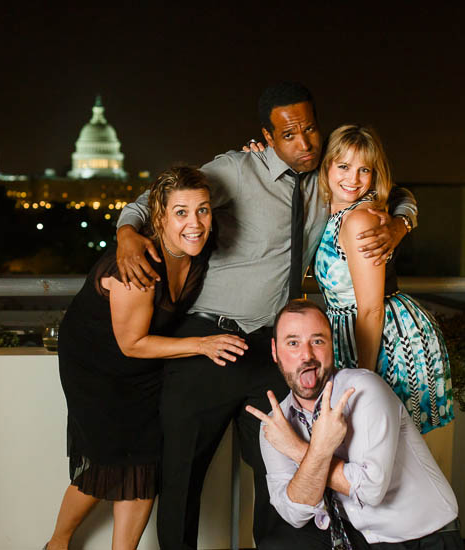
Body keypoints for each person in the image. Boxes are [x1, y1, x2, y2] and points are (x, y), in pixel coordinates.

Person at [115, 82, 418, 549]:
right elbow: (153, 199)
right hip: (207, 342)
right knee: (181, 475)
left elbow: (393, 193)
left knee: (289, 470)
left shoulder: (329, 179)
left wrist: (398, 223)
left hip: (271, 351)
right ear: (267, 135)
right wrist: (126, 235)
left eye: (311, 129)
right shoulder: (235, 169)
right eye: (289, 134)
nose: (304, 143)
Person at [45, 166, 248, 550]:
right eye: (182, 212)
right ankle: (57, 543)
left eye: (203, 210)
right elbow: (131, 344)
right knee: (108, 463)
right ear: (159, 217)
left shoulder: (199, 244)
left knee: (144, 464)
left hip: (145, 366)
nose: (196, 223)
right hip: (98, 366)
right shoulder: (135, 269)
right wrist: (203, 344)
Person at [247, 299, 463, 550]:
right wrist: (314, 451)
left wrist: (298, 449)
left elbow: (371, 491)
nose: (306, 355)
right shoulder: (277, 425)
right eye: (293, 343)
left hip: (423, 537)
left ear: (332, 347)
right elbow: (294, 514)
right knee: (279, 546)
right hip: (358, 538)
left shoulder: (365, 389)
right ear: (275, 351)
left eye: (317, 341)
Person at [314, 124, 453, 434]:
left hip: (383, 341)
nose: (352, 179)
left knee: (386, 453)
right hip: (353, 334)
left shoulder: (360, 219)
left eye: (364, 169)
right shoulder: (332, 212)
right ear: (327, 166)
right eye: (344, 166)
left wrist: (363, 379)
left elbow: (371, 310)